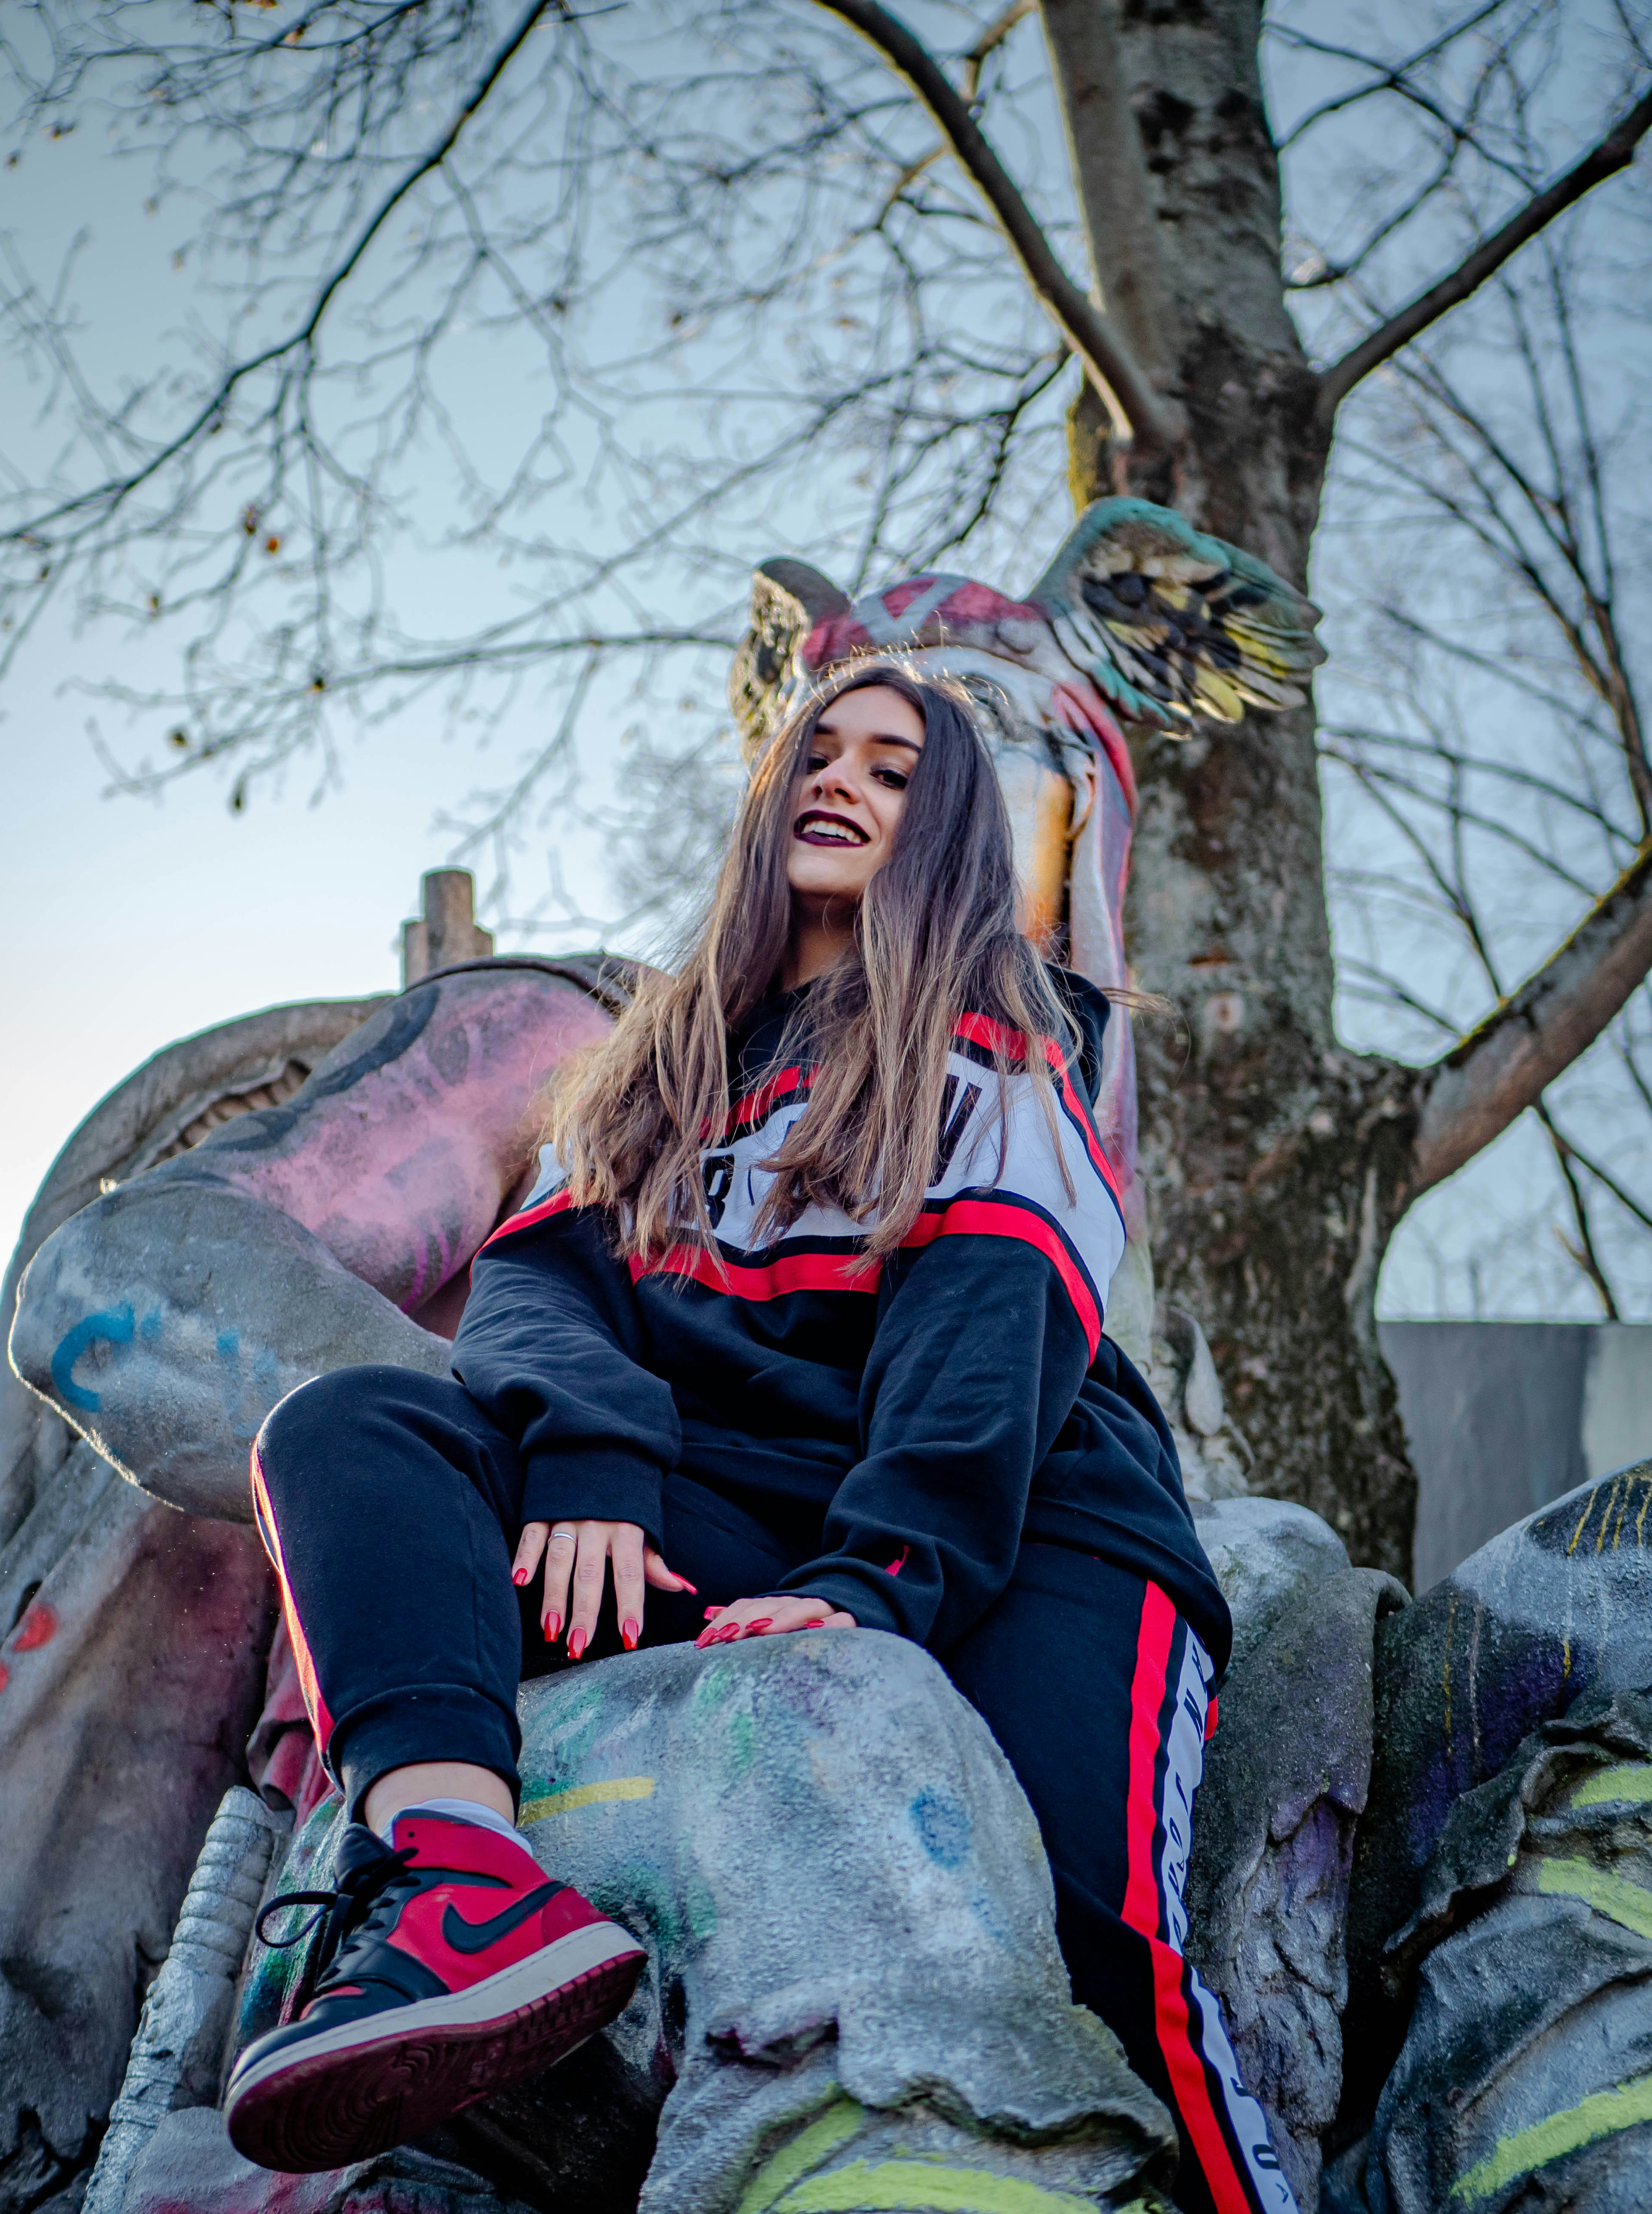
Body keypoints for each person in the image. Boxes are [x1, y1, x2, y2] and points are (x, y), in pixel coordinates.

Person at [226, 663, 1297, 2214]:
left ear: (940, 833)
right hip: (725, 1504)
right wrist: (592, 1464)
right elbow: (534, 1295)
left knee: (1085, 1925)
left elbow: (985, 1332)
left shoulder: (1001, 1035)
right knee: (353, 1430)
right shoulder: (658, 1073)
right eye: (818, 752)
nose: (838, 779)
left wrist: (878, 1583)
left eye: (891, 766)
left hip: (1014, 1522)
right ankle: (458, 1880)